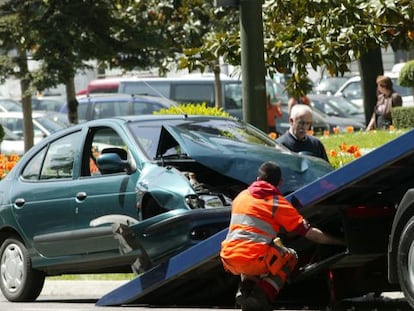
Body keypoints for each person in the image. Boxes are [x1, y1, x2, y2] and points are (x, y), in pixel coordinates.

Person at [220, 161, 345, 311]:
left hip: (229, 257)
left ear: (258, 178)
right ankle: (261, 295)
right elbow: (311, 234)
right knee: (290, 257)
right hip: (254, 257)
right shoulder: (277, 203)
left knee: (253, 253)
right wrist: (340, 241)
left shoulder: (241, 196)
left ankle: (245, 291)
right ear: (280, 182)